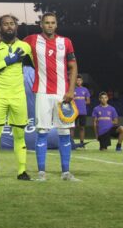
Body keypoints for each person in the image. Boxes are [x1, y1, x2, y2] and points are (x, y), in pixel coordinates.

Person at [23, 12, 80, 181]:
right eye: (46, 22)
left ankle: (66, 173)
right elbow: (13, 45)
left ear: (56, 25)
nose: (50, 25)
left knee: (64, 132)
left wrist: (71, 90)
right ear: (41, 24)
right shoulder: (31, 40)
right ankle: (41, 173)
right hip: (42, 93)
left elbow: (73, 66)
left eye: (52, 22)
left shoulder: (66, 42)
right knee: (42, 131)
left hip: (63, 94)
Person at [0, 15, 33, 181]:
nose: (9, 26)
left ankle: (22, 172)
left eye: (12, 24)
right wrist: (8, 61)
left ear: (16, 27)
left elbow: (40, 65)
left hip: (18, 95)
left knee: (19, 135)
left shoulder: (25, 46)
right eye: (5, 24)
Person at [72, 75, 91, 148]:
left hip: (83, 112)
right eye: (77, 80)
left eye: (80, 80)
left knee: (82, 128)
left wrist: (82, 102)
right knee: (72, 127)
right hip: (74, 112)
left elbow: (88, 101)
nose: (78, 81)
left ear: (82, 81)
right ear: (75, 81)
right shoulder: (72, 89)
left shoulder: (85, 90)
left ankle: (82, 143)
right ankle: (71, 142)